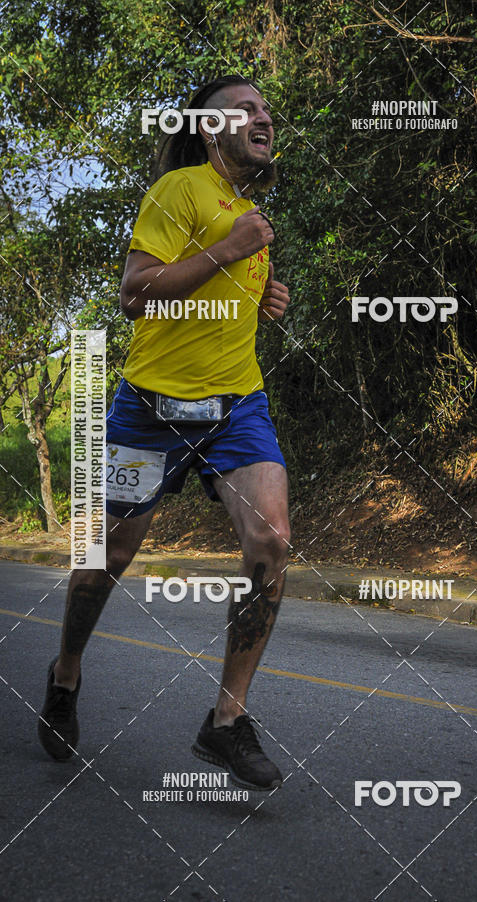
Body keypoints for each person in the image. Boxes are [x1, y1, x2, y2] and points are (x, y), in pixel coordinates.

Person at [38, 75, 291, 791]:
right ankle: (65, 674)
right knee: (105, 557)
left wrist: (264, 295)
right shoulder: (177, 191)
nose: (264, 117)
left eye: (268, 109)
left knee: (271, 540)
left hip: (236, 404)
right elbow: (134, 294)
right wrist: (231, 249)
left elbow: (220, 294)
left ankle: (225, 723)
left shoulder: (248, 212)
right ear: (210, 130)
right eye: (247, 109)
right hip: (151, 407)